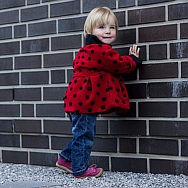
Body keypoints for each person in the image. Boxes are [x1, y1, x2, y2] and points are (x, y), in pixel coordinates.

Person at [56, 7, 142, 178]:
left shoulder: (85, 50)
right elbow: (119, 64)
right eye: (101, 27)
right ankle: (80, 169)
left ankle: (66, 158)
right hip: (85, 104)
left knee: (81, 133)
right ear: (90, 30)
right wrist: (133, 60)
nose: (108, 31)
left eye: (112, 27)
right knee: (85, 135)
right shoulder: (100, 51)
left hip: (76, 101)